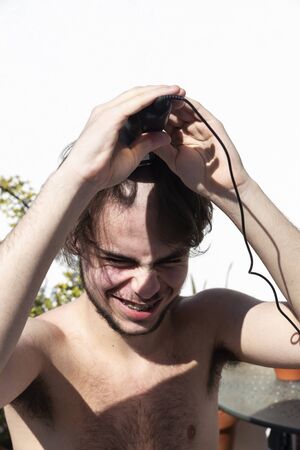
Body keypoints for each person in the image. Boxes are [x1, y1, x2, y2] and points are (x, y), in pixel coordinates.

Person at [0, 84, 299, 450]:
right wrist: (73, 180)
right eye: (118, 260)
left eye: (169, 260)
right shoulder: (41, 353)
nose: (145, 286)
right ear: (75, 241)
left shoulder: (208, 325)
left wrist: (238, 190)